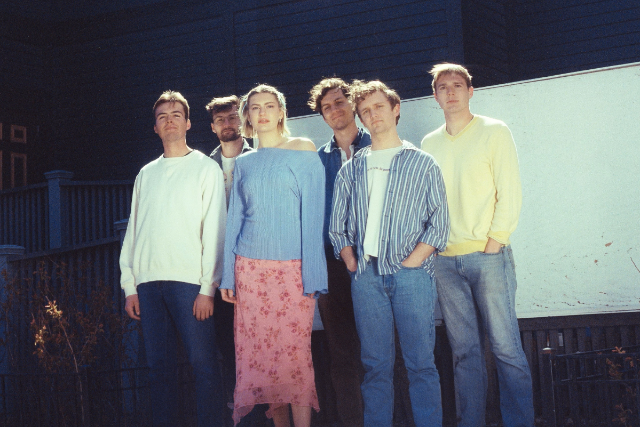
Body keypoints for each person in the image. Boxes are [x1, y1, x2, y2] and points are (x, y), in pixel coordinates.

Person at [329, 80, 450, 427]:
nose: (373, 114)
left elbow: (439, 223)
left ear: (396, 109)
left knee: (421, 364)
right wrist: (352, 263)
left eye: (379, 106)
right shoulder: (351, 169)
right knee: (375, 367)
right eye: (365, 111)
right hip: (367, 278)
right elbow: (337, 227)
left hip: (412, 276)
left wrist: (412, 262)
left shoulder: (422, 163)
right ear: (360, 118)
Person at [421, 63, 534, 427]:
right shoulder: (429, 143)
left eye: (457, 85)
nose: (450, 92)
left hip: (488, 257)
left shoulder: (494, 131)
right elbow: (430, 203)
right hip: (445, 262)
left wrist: (494, 243)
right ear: (435, 96)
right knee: (464, 353)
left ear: (470, 91)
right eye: (443, 87)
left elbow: (509, 191)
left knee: (505, 348)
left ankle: (520, 422)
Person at [219, 84, 328, 427]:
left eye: (269, 105)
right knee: (262, 361)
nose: (262, 112)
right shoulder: (244, 162)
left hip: (293, 271)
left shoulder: (303, 148)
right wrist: (227, 275)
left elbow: (313, 215)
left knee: (295, 358)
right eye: (255, 107)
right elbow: (234, 219)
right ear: (247, 116)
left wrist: (315, 274)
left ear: (281, 112)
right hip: (249, 271)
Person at [120, 91, 227, 427]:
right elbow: (134, 231)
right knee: (158, 370)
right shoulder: (146, 174)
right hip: (148, 286)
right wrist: (130, 285)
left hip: (190, 285)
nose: (169, 121)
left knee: (204, 366)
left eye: (176, 115)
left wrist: (208, 288)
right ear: (155, 127)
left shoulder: (205, 168)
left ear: (188, 123)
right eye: (162, 116)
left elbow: (215, 230)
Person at [307, 77, 369, 427]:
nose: (334, 110)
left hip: (377, 263)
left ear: (353, 104)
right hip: (332, 266)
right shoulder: (317, 160)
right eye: (326, 107)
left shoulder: (378, 145)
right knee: (342, 355)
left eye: (339, 101)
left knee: (384, 352)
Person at [206, 95, 255, 205]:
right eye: (220, 120)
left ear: (242, 120)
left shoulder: (257, 160)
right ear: (213, 127)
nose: (226, 124)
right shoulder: (208, 165)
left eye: (232, 118)